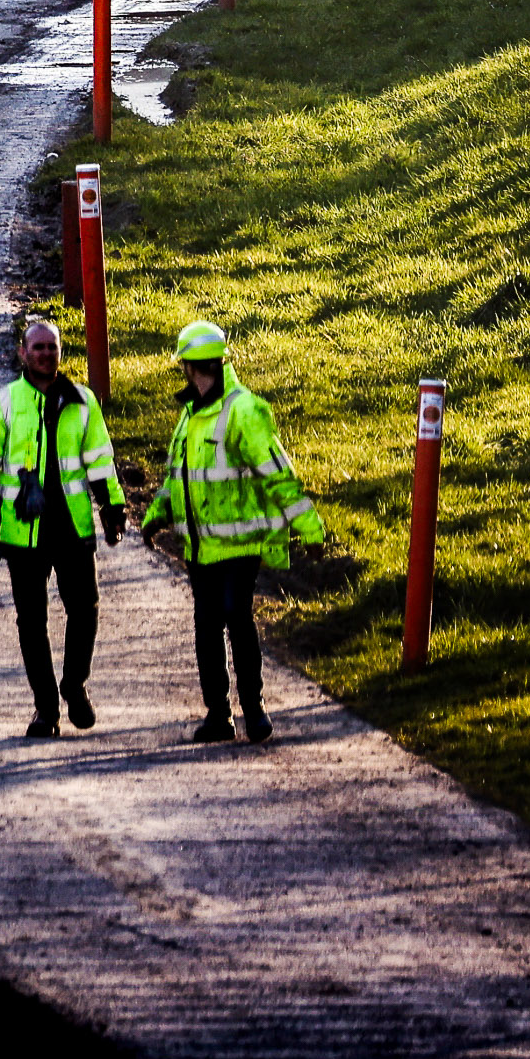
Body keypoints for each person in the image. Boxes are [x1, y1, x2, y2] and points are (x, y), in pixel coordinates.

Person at [144, 317, 327, 745]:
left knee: (233, 617)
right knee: (209, 624)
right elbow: (179, 477)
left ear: (188, 366)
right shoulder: (190, 415)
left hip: (239, 545)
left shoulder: (244, 410)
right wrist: (158, 513)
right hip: (202, 547)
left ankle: (253, 710)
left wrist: (310, 529)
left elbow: (277, 475)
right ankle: (220, 716)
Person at [0, 314, 126, 737]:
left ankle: (75, 685)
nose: (44, 353)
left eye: (51, 346)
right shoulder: (0, 405)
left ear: (60, 352)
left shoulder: (82, 400)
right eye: (37, 347)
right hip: (22, 533)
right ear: (22, 353)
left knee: (85, 610)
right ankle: (45, 710)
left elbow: (100, 460)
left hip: (72, 527)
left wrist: (112, 507)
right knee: (31, 622)